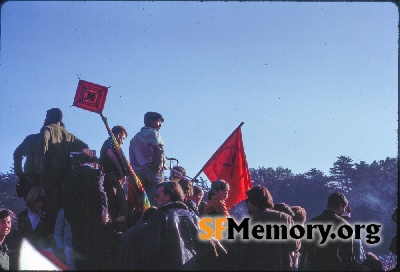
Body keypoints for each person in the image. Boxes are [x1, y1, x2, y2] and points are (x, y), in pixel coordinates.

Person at [35, 108, 89, 231]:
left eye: (47, 116)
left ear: (53, 118)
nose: (45, 119)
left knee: (50, 204)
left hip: (50, 172)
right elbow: (85, 147)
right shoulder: (70, 136)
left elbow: (43, 144)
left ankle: (49, 231)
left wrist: (39, 165)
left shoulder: (47, 129)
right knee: (61, 204)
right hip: (65, 174)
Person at [62, 150, 110, 270]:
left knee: (80, 256)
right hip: (94, 223)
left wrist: (72, 220)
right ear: (94, 162)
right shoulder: (96, 173)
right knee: (94, 256)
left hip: (76, 224)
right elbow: (100, 194)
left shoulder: (69, 177)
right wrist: (104, 212)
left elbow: (66, 201)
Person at [143, 182, 200, 270]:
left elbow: (151, 250)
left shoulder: (159, 216)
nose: (155, 198)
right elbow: (204, 246)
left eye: (158, 195)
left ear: (167, 197)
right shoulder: (193, 217)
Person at [242, 185, 300, 271]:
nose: (246, 204)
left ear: (254, 201)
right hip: (281, 266)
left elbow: (242, 250)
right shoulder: (284, 218)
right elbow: (294, 245)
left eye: (248, 200)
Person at [299, 191, 355, 271]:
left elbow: (303, 251)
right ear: (340, 206)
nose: (344, 212)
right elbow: (347, 256)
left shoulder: (310, 223)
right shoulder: (343, 224)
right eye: (345, 209)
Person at [129, 112, 166, 206]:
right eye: (159, 121)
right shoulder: (153, 133)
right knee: (157, 200)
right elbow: (159, 149)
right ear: (150, 121)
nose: (160, 125)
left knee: (143, 202)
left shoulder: (135, 138)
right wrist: (158, 166)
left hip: (139, 175)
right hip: (153, 172)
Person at [99, 125, 129, 230]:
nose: (123, 142)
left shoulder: (109, 143)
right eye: (123, 138)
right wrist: (121, 171)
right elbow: (110, 154)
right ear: (119, 135)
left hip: (112, 177)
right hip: (111, 176)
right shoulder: (110, 142)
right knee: (120, 203)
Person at [17, 186, 53, 252]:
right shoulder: (21, 216)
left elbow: (49, 238)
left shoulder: (46, 218)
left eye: (42, 202)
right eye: (37, 201)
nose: (40, 204)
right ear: (31, 200)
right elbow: (19, 237)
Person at [13, 133, 41, 199]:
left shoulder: (33, 138)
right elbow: (17, 153)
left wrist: (20, 175)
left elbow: (17, 153)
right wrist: (20, 175)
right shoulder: (66, 139)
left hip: (31, 177)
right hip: (33, 177)